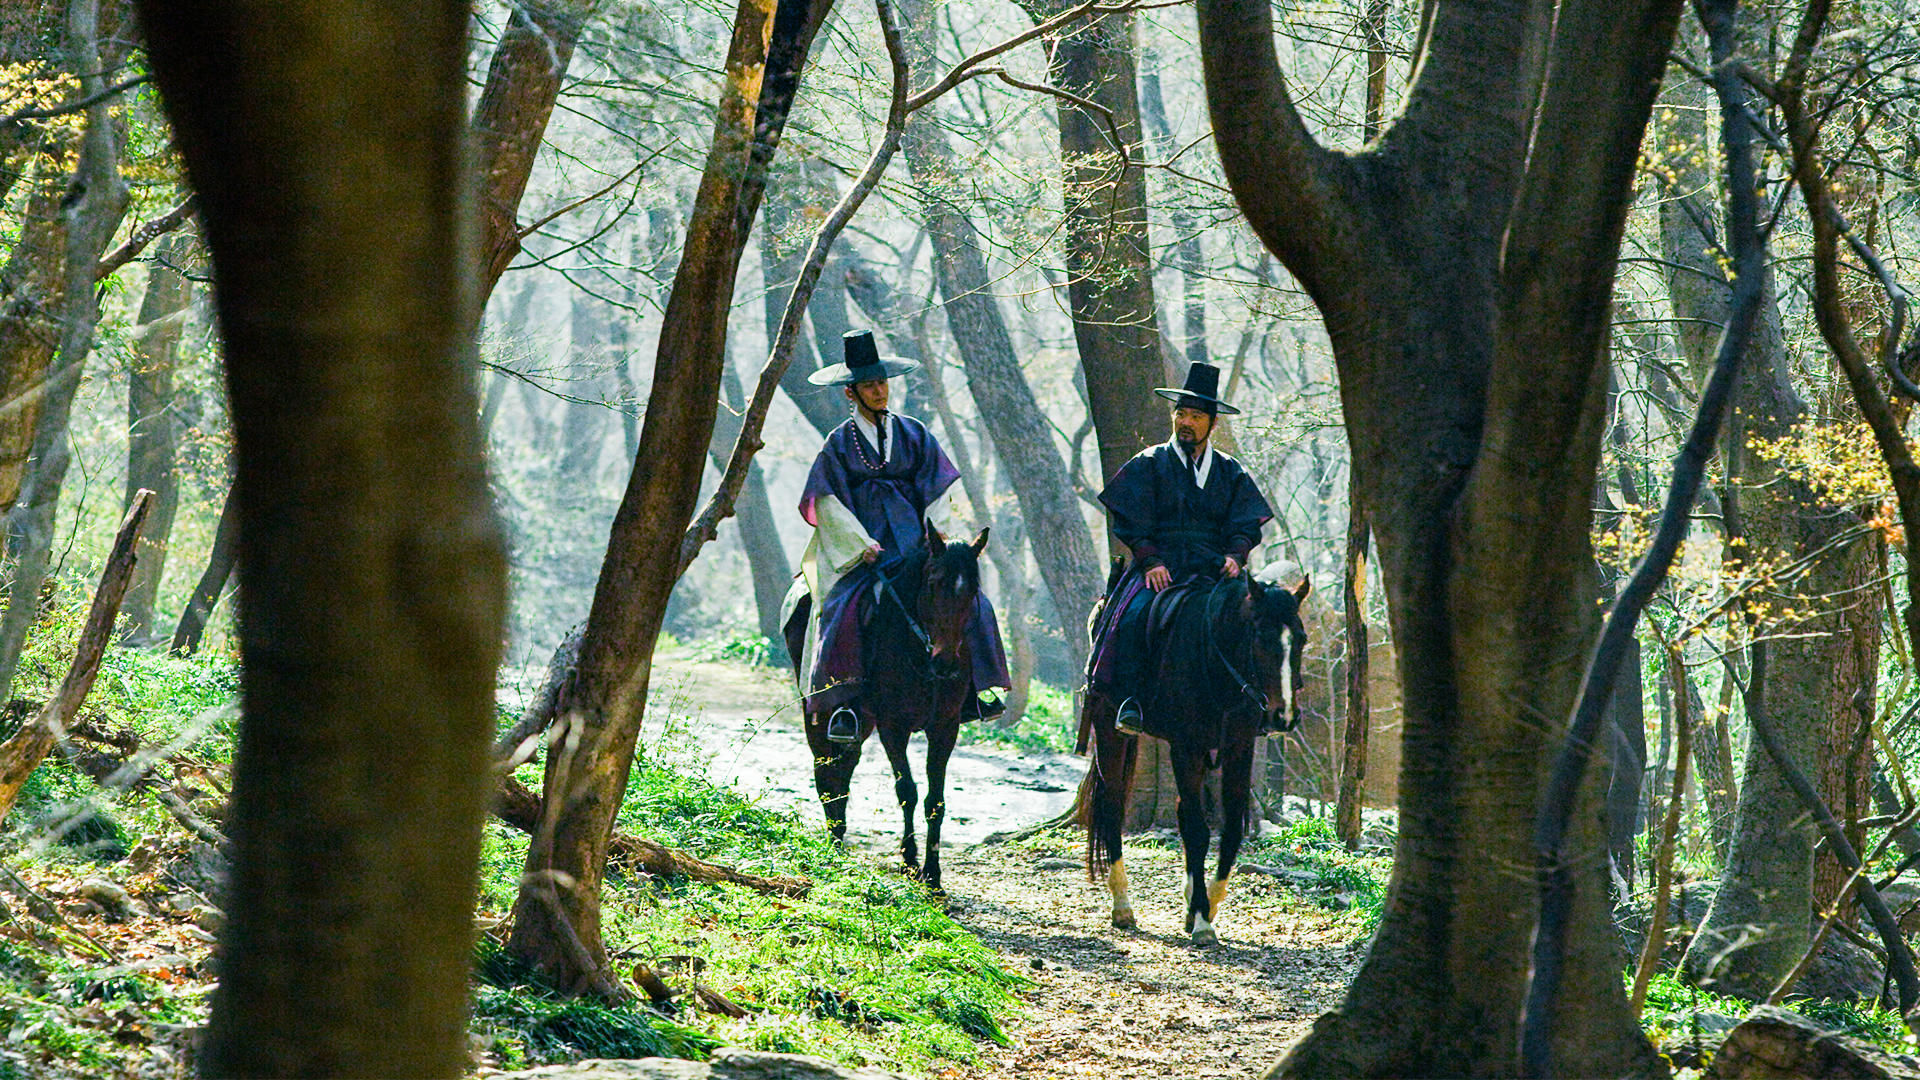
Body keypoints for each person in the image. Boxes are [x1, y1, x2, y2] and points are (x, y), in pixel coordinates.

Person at [796, 329, 1010, 742]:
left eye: (882, 383)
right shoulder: (838, 444)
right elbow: (827, 501)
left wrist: (935, 539)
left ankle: (979, 690)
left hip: (917, 546)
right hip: (866, 551)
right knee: (843, 608)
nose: (879, 391)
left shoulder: (914, 434)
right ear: (851, 393)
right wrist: (861, 546)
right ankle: (844, 705)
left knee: (973, 602)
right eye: (869, 385)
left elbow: (938, 488)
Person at [1088, 360, 1276, 733]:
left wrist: (1236, 556)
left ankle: (1254, 708)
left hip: (1213, 569)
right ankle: (1131, 700)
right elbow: (1128, 519)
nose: (1186, 422)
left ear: (1212, 423)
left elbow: (1244, 524)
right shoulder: (1150, 463)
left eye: (1195, 416)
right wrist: (1150, 559)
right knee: (1134, 616)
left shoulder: (1229, 471)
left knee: (1256, 621)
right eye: (1181, 413)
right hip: (1159, 566)